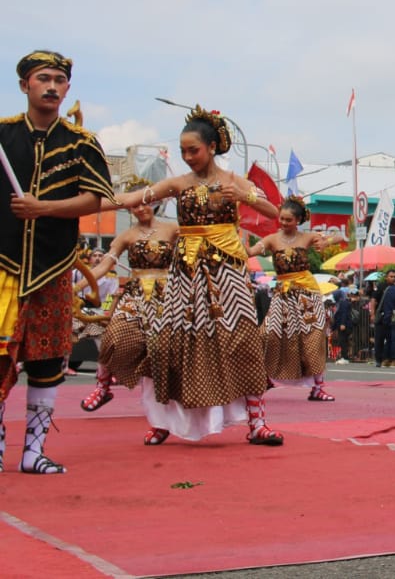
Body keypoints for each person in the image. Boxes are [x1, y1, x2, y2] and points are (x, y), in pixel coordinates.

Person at [113, 105, 284, 447]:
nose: (188, 157)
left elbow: (275, 212)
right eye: (183, 152)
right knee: (170, 341)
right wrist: (86, 203)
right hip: (187, 270)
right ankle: (163, 421)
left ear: (211, 147)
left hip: (228, 270)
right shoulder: (179, 183)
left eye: (194, 150)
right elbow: (133, 197)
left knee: (243, 340)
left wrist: (246, 195)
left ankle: (257, 423)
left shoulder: (235, 182)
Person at [0, 51, 113, 473]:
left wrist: (41, 208)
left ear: (67, 88)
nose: (51, 86)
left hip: (52, 267)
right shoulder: (3, 135)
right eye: (42, 78)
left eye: (59, 80)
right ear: (24, 85)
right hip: (4, 265)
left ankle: (33, 452)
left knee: (48, 362)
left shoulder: (80, 142)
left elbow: (92, 198)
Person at [79, 188, 178, 412]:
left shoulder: (172, 229)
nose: (141, 208)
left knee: (166, 347)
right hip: (136, 294)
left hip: (168, 295)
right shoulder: (126, 236)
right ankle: (103, 387)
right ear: (128, 208)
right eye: (135, 205)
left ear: (154, 203)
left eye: (145, 203)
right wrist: (74, 287)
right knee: (111, 337)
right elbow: (103, 267)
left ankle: (170, 401)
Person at [248, 196, 342, 400]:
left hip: (307, 293)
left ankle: (318, 388)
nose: (283, 223)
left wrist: (326, 242)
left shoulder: (307, 237)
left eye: (288, 220)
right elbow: (251, 251)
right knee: (268, 334)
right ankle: (264, 377)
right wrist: (238, 244)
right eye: (281, 219)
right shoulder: (272, 239)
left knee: (313, 337)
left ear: (298, 220)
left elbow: (337, 238)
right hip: (283, 294)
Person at [374, 270, 395, 367]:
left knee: (388, 339)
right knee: (394, 339)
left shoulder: (388, 289)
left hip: (386, 317)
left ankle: (385, 359)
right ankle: (394, 360)